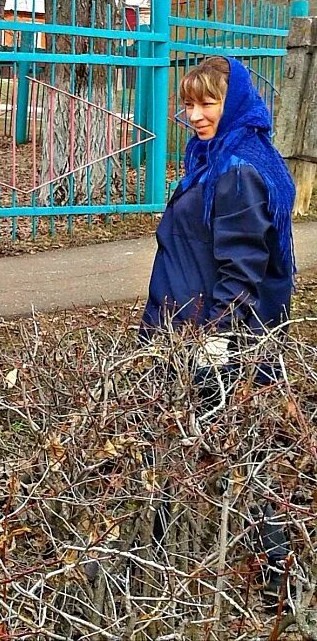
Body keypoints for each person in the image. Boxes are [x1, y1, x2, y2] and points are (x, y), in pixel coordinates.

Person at [141, 54, 295, 600]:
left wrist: (215, 341)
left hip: (213, 342)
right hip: (188, 327)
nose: (196, 114)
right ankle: (156, 559)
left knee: (236, 454)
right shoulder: (216, 157)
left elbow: (242, 270)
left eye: (208, 102)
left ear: (235, 104)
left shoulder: (237, 171)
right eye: (188, 104)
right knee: (185, 447)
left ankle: (274, 577)